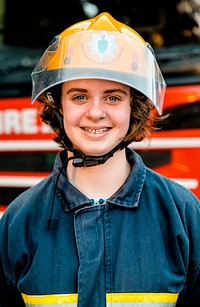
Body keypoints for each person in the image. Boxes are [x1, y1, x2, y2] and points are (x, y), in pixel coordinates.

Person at [0, 12, 200, 307]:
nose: (95, 112)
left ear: (135, 107)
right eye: (79, 96)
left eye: (113, 97)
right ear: (58, 107)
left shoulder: (182, 214)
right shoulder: (19, 221)